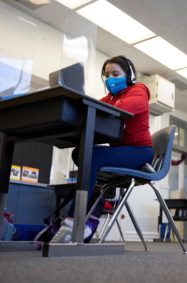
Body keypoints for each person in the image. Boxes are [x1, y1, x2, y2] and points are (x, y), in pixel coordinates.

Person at [51, 56, 154, 243]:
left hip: (140, 151)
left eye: (115, 74)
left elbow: (124, 107)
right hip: (122, 151)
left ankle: (73, 221)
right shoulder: (111, 97)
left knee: (92, 157)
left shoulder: (139, 90)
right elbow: (92, 107)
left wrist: (101, 106)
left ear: (129, 75)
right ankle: (85, 220)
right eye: (106, 75)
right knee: (80, 152)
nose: (110, 79)